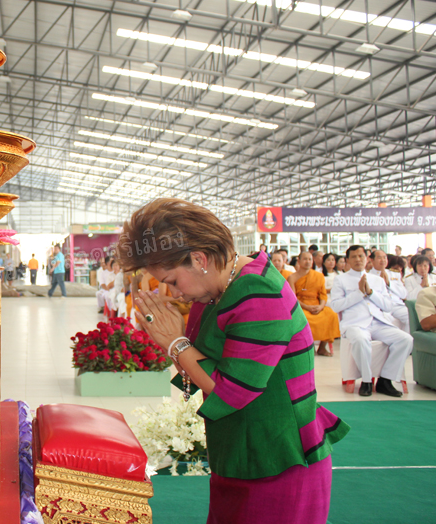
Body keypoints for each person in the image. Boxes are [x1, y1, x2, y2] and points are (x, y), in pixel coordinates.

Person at [122, 199, 348, 524]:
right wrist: (173, 343)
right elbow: (200, 365)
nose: (175, 293)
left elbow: (231, 391)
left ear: (199, 259)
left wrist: (175, 342)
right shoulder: (218, 288)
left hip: (277, 460)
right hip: (240, 452)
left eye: (172, 280)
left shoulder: (257, 291)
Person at [329, 245, 414, 397]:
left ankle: (385, 380)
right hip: (355, 324)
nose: (358, 259)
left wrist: (370, 292)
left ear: (367, 258)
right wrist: (359, 293)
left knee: (406, 339)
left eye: (361, 256)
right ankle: (367, 381)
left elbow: (388, 306)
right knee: (361, 340)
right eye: (353, 257)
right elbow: (335, 306)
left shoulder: (377, 280)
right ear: (347, 260)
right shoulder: (341, 280)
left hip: (378, 322)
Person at [288, 251, 340, 356]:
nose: (308, 262)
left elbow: (323, 295)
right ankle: (309, 347)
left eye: (310, 259)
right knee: (304, 318)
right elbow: (292, 299)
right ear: (299, 261)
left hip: (316, 305)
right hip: (300, 306)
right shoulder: (292, 277)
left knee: (332, 315)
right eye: (305, 259)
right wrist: (307, 307)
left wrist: (320, 306)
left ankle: (322, 347)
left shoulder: (318, 276)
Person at [369, 250, 409, 331]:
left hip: (396, 305)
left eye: (384, 257)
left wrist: (389, 283)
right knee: (387, 320)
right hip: (380, 307)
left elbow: (404, 294)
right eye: (379, 258)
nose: (383, 260)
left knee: (411, 317)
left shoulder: (394, 274)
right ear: (372, 260)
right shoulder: (368, 276)